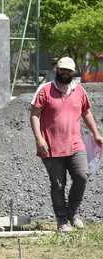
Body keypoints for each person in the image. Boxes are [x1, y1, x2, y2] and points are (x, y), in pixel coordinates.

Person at [30, 57, 103, 232]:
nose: (65, 72)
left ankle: (73, 213)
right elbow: (34, 115)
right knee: (58, 185)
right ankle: (62, 220)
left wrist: (96, 134)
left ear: (73, 72)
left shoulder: (79, 90)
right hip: (51, 147)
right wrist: (39, 139)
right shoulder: (45, 90)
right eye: (62, 69)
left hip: (76, 145)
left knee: (81, 176)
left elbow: (86, 112)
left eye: (68, 70)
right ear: (57, 69)